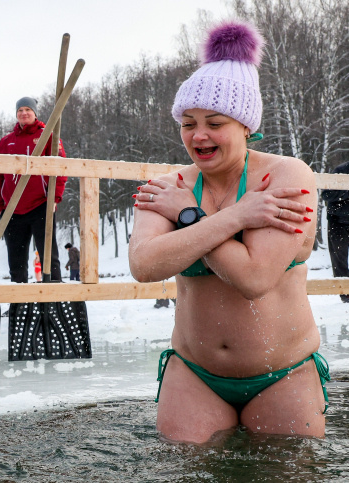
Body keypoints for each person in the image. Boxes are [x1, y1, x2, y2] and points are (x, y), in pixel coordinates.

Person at [129, 21, 329, 443]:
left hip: (283, 373)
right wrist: (231, 218)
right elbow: (145, 265)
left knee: (288, 471)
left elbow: (255, 278)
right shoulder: (173, 187)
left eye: (214, 122)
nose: (198, 135)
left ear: (245, 126)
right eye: (188, 123)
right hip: (194, 373)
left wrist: (188, 218)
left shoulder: (286, 175)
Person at [0, 96, 66, 284]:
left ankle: (54, 298)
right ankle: (19, 304)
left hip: (40, 204)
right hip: (12, 209)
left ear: (34, 113)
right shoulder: (6, 141)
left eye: (28, 110)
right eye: (20, 110)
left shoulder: (48, 135)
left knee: (48, 255)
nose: (24, 113)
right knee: (16, 261)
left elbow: (61, 169)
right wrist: (0, 205)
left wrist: (55, 199)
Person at [321, 160, 349, 302]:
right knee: (339, 260)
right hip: (338, 222)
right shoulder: (341, 169)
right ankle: (345, 294)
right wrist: (345, 191)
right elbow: (325, 194)